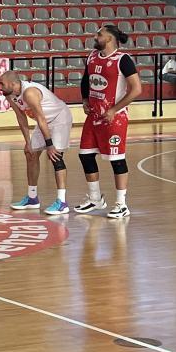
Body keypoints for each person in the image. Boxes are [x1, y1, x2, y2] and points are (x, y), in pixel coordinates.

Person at [75, 25, 142, 219]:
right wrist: (85, 99)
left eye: (99, 34)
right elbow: (86, 79)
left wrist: (114, 109)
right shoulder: (92, 56)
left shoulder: (123, 60)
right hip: (94, 116)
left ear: (110, 39)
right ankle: (95, 199)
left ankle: (121, 204)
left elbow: (137, 89)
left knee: (117, 160)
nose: (96, 37)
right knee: (85, 156)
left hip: (115, 118)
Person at [0, 71, 74, 216]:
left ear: (13, 84)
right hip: (44, 122)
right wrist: (28, 142)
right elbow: (21, 117)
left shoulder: (30, 93)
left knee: (55, 157)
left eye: (2, 84)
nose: (0, 87)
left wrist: (50, 145)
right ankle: (32, 198)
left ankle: (62, 202)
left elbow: (41, 118)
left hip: (59, 119)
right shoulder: (10, 95)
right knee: (30, 153)